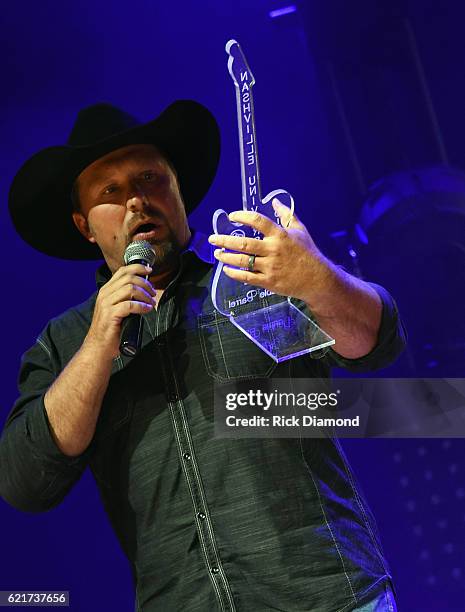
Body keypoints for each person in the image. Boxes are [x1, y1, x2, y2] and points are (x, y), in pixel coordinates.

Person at [0, 100, 405, 611]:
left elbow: (378, 341)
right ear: (85, 226)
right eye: (111, 191)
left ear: (178, 193)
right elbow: (24, 482)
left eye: (150, 178)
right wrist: (99, 344)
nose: (136, 202)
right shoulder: (65, 341)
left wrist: (317, 280)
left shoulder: (254, 278)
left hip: (327, 596)